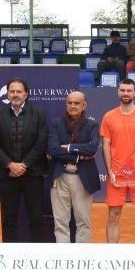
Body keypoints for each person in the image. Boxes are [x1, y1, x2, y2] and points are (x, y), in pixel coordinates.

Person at [0, 78, 48, 242]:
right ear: (7, 94)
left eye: (19, 91)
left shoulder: (38, 113)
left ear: (26, 94)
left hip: (33, 174)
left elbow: (41, 142)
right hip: (7, 174)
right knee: (8, 218)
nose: (15, 94)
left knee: (36, 217)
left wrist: (24, 165)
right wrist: (10, 165)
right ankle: (9, 252)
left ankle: (37, 253)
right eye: (12, 91)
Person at [100, 79, 135, 243]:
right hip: (116, 175)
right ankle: (112, 256)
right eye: (122, 90)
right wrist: (110, 172)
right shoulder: (109, 117)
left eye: (129, 90)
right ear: (118, 92)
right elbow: (105, 146)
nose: (125, 93)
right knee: (113, 215)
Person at [47, 91, 101, 243]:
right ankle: (63, 256)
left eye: (76, 103)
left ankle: (81, 256)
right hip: (59, 177)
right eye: (69, 103)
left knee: (83, 222)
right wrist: (78, 157)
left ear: (84, 105)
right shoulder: (57, 123)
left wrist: (69, 147)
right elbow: (53, 149)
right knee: (60, 222)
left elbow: (92, 148)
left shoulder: (92, 124)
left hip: (82, 179)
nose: (72, 106)